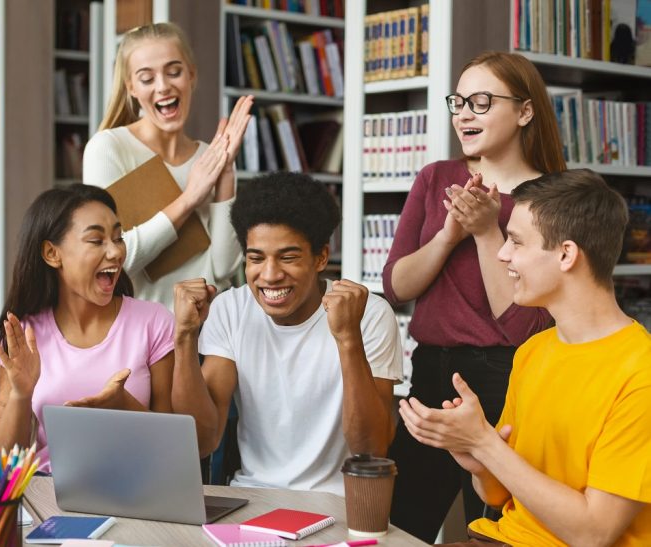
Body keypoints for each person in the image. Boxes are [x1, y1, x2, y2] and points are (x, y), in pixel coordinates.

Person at [398, 169, 651, 546]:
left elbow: (594, 534)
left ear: (566, 254)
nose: (502, 254)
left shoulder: (640, 373)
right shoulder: (533, 351)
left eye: (516, 241)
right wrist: (476, 457)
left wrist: (486, 444)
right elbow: (497, 497)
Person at [384, 50, 567, 541]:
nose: (463, 113)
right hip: (430, 372)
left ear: (525, 111)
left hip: (505, 380)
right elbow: (396, 287)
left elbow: (519, 322)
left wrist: (488, 231)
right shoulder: (435, 178)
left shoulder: (551, 199)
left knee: (489, 529)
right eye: (459, 101)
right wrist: (448, 236)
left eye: (481, 101)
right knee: (400, 525)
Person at [170, 172, 403, 496]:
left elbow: (371, 450)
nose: (270, 275)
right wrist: (184, 337)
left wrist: (348, 339)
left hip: (337, 505)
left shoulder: (369, 315)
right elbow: (202, 441)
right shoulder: (230, 309)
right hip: (252, 498)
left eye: (288, 257)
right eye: (256, 258)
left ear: (321, 257)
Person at [0, 184, 175, 473]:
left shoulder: (155, 322)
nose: (115, 252)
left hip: (138, 487)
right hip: (51, 490)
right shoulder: (23, 335)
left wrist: (125, 405)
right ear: (52, 254)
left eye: (118, 238)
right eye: (96, 240)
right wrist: (21, 394)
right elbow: (0, 463)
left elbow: (173, 448)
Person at [83, 22, 253, 310]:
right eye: (147, 78)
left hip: (207, 333)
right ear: (131, 87)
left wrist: (225, 172)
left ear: (191, 76)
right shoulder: (109, 148)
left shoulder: (208, 157)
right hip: (143, 338)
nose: (163, 86)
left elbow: (223, 269)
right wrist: (189, 199)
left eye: (174, 72)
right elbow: (109, 260)